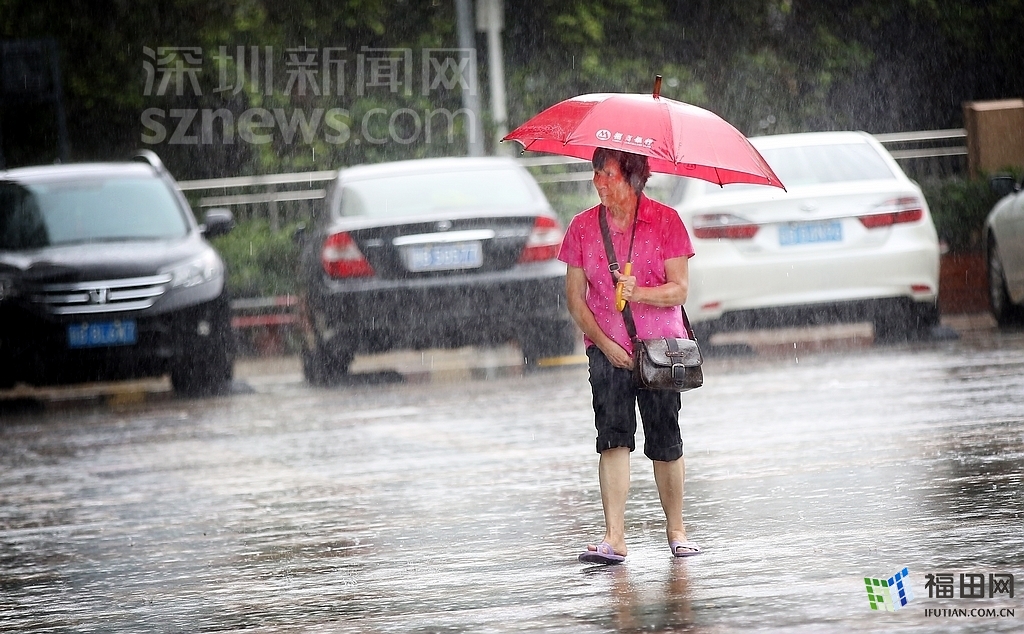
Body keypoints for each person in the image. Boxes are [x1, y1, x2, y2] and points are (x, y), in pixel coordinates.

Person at [556, 147, 699, 564]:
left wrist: (640, 293)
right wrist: (605, 344)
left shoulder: (666, 222)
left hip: (661, 350)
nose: (598, 183)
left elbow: (680, 289)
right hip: (606, 348)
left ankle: (677, 532)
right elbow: (575, 299)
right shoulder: (582, 228)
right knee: (613, 438)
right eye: (595, 174)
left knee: (665, 439)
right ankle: (614, 537)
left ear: (634, 179)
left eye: (608, 175)